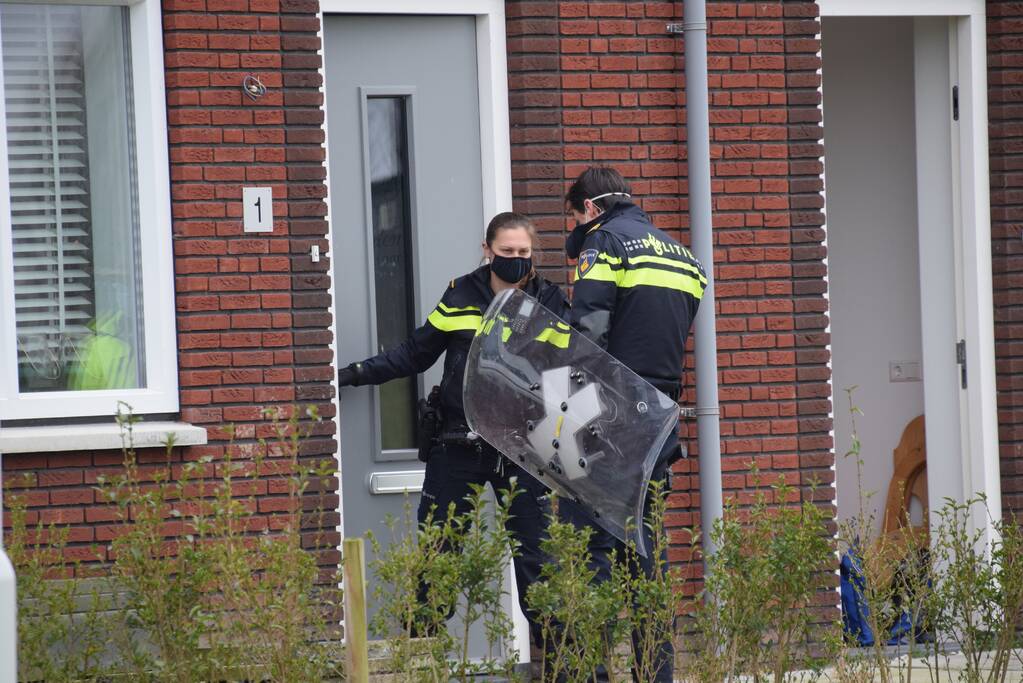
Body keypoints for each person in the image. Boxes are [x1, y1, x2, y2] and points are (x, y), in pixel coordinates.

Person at [337, 211, 569, 646]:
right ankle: (422, 652)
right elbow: (414, 354)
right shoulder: (462, 294)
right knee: (437, 555)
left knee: (539, 563)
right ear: (487, 251)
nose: (516, 260)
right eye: (506, 252)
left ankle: (555, 663)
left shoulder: (550, 301)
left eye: (523, 253)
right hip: (458, 444)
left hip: (522, 451)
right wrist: (353, 373)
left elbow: (572, 372)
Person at [561, 166, 707, 682]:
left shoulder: (605, 245)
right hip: (658, 422)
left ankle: (592, 674)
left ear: (592, 209)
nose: (575, 228)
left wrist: (571, 416)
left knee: (592, 549)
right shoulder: (684, 257)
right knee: (646, 555)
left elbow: (590, 334)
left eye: (575, 215)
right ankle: (656, 674)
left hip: (608, 417)